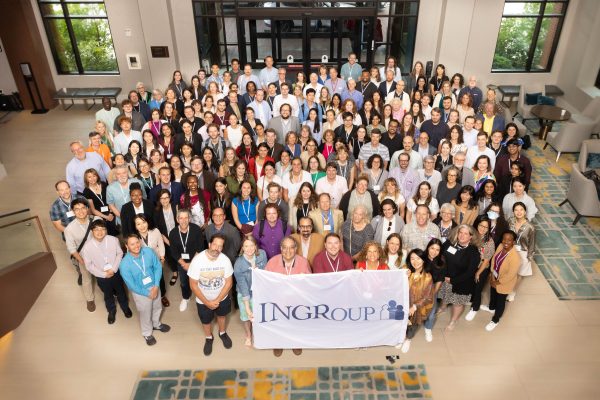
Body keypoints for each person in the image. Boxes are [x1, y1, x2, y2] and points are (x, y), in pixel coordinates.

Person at [187, 233, 234, 356]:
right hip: (203, 300)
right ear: (209, 244)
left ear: (222, 248)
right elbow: (193, 285)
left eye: (220, 246)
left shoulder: (225, 260)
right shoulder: (197, 261)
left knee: (222, 316)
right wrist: (207, 302)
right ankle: (209, 337)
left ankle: (222, 333)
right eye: (214, 245)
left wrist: (218, 299)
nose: (216, 248)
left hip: (221, 297)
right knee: (206, 321)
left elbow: (229, 282)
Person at [119, 234, 170, 346]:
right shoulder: (124, 264)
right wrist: (147, 293)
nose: (136, 246)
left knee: (157, 307)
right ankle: (147, 333)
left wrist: (156, 286)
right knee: (145, 312)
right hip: (140, 291)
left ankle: (156, 324)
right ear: (126, 246)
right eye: (132, 244)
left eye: (137, 242)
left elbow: (157, 267)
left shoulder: (148, 251)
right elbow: (131, 285)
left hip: (154, 285)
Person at [265, 236, 311, 356]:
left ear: (296, 248)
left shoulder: (303, 262)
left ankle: (294, 342)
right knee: (277, 322)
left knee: (296, 322)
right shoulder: (272, 262)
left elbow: (310, 284)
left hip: (297, 301)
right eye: (285, 248)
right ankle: (278, 342)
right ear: (281, 248)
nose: (288, 251)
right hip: (278, 301)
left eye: (291, 248)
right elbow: (264, 283)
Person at [81, 220, 131, 324]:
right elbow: (89, 265)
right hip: (102, 276)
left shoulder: (113, 240)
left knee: (121, 291)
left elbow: (119, 253)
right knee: (107, 294)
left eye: (102, 229)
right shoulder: (87, 247)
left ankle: (125, 307)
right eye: (96, 230)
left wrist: (113, 269)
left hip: (116, 272)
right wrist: (104, 274)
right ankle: (111, 311)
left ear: (106, 230)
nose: (100, 232)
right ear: (92, 231)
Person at [439, 224, 481, 331]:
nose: (462, 236)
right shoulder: (449, 243)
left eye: (465, 234)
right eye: (460, 232)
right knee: (445, 294)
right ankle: (443, 308)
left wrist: (452, 280)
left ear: (471, 236)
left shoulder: (473, 252)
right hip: (446, 278)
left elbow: (470, 272)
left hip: (462, 283)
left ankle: (453, 320)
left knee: (457, 303)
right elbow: (440, 256)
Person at [64, 198, 99, 312]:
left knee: (104, 275)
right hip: (84, 258)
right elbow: (72, 249)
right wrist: (82, 261)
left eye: (83, 208)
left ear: (87, 209)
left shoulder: (96, 220)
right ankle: (89, 299)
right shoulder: (69, 229)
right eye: (77, 209)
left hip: (99, 255)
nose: (81, 211)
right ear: (73, 212)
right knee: (87, 278)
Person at [396, 248, 433, 353]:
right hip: (402, 305)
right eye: (412, 258)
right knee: (400, 323)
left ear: (424, 260)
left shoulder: (427, 277)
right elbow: (394, 283)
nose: (415, 262)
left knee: (412, 325)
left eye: (418, 258)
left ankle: (408, 340)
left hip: (415, 307)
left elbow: (428, 296)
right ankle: (401, 338)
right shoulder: (404, 269)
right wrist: (403, 275)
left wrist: (415, 306)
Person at [233, 236, 268, 347]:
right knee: (246, 317)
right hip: (245, 293)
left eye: (252, 245)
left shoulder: (262, 254)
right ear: (242, 248)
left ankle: (259, 332)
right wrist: (247, 307)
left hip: (260, 292)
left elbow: (265, 273)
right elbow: (243, 286)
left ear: (256, 246)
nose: (249, 249)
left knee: (260, 314)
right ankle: (248, 335)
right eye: (246, 246)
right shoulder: (238, 263)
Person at [168, 209, 205, 312]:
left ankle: (201, 297)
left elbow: (200, 248)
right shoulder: (173, 233)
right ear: (177, 219)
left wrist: (191, 264)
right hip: (182, 262)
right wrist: (184, 264)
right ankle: (185, 298)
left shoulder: (196, 230)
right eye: (181, 218)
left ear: (189, 219)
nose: (183, 220)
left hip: (196, 260)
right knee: (184, 282)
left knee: (199, 280)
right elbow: (174, 252)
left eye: (186, 218)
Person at [464, 216, 497, 322]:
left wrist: (478, 272)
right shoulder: (470, 235)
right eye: (481, 225)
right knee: (470, 284)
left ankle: (475, 308)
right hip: (469, 265)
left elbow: (487, 260)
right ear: (476, 224)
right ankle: (470, 298)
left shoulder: (490, 242)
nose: (482, 229)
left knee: (478, 288)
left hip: (482, 267)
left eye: (486, 227)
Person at [507, 202, 536, 302]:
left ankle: (513, 291)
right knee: (509, 272)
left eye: (521, 210)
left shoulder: (530, 227)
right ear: (513, 212)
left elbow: (532, 243)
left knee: (519, 274)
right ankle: (506, 287)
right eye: (516, 210)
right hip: (509, 249)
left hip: (523, 251)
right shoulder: (510, 221)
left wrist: (529, 257)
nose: (519, 212)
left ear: (525, 211)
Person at [153, 189, 179, 286]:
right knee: (170, 255)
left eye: (166, 197)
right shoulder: (157, 212)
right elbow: (158, 230)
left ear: (170, 197)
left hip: (178, 234)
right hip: (165, 237)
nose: (164, 200)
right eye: (162, 198)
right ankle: (175, 273)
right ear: (159, 200)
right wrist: (168, 242)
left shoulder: (175, 207)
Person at [422, 239, 445, 342]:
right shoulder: (421, 257)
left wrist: (432, 295)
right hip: (418, 288)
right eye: (432, 248)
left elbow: (440, 280)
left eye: (437, 250)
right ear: (428, 247)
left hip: (432, 289)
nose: (434, 252)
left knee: (431, 313)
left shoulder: (442, 262)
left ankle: (428, 328)